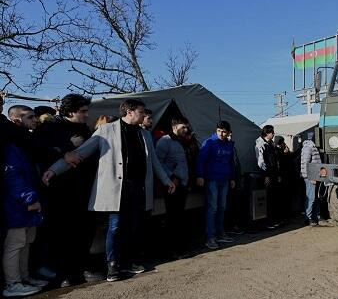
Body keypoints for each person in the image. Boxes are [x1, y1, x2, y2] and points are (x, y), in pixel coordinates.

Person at [41, 99, 176, 282]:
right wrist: (54, 169)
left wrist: (166, 180)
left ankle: (129, 261)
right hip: (117, 189)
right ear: (129, 112)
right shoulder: (106, 131)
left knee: (134, 226)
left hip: (138, 187)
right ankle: (113, 265)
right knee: (116, 226)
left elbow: (153, 161)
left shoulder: (144, 134)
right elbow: (81, 152)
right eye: (141, 112)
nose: (144, 115)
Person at [34, 94, 102, 286]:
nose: (86, 115)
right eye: (83, 111)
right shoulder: (49, 128)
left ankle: (81, 268)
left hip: (84, 189)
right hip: (60, 192)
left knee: (84, 231)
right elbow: (38, 150)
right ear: (70, 111)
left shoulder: (84, 129)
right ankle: (64, 272)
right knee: (63, 234)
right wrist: (66, 148)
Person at [1, 105, 47, 297]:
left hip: (26, 201)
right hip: (18, 203)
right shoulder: (12, 145)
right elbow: (13, 176)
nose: (35, 120)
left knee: (26, 242)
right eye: (30, 117)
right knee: (16, 244)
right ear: (16, 120)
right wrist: (30, 198)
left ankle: (25, 277)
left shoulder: (22, 142)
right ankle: (13, 284)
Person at [196, 121, 236, 250]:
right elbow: (201, 160)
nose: (221, 133)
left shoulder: (229, 145)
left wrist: (232, 178)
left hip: (224, 179)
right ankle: (210, 237)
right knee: (212, 208)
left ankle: (220, 233)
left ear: (228, 132)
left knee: (222, 207)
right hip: (212, 179)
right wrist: (200, 176)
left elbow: (231, 163)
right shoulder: (209, 142)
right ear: (216, 130)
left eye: (224, 131)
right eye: (219, 130)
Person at [156, 117, 191, 258]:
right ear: (175, 126)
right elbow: (158, 161)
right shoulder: (165, 141)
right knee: (172, 217)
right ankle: (171, 251)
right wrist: (172, 176)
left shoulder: (182, 142)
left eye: (187, 127)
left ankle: (181, 247)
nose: (186, 130)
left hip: (182, 184)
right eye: (183, 127)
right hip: (172, 185)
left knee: (179, 216)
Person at [255, 125, 282, 229]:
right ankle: (268, 222)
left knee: (274, 198)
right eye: (272, 132)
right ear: (267, 133)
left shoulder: (270, 144)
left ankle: (274, 220)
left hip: (274, 174)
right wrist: (266, 175)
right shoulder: (260, 144)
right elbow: (260, 162)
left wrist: (278, 174)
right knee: (268, 199)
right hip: (267, 175)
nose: (273, 134)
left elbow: (275, 160)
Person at [300, 133, 322, 226]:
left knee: (315, 198)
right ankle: (307, 218)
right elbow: (305, 163)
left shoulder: (312, 146)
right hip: (310, 177)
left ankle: (314, 217)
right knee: (311, 198)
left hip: (315, 176)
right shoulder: (308, 147)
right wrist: (311, 176)